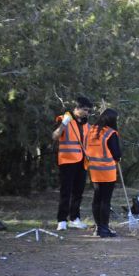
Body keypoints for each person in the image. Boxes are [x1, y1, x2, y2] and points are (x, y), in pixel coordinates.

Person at [52, 97, 93, 231]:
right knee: (66, 192)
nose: (87, 113)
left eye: (89, 111)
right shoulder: (65, 120)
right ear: (77, 108)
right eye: (85, 110)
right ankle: (62, 220)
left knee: (78, 192)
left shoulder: (87, 125)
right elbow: (55, 136)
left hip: (82, 162)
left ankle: (74, 218)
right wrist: (64, 123)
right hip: (67, 161)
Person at [84, 108, 121, 238]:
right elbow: (117, 154)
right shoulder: (111, 133)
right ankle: (104, 229)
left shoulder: (91, 131)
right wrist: (118, 158)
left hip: (94, 170)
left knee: (97, 199)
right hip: (107, 171)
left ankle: (98, 228)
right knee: (105, 200)